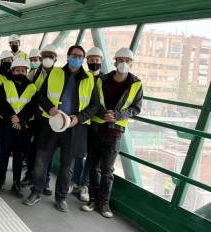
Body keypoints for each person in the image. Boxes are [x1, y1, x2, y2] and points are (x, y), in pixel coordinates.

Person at [24, 45, 100, 213]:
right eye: (74, 55)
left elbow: (95, 106)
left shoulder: (89, 79)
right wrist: (50, 109)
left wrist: (78, 118)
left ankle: (61, 198)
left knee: (67, 166)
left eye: (80, 56)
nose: (77, 58)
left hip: (74, 128)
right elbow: (41, 95)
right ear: (68, 56)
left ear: (83, 59)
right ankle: (36, 191)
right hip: (50, 123)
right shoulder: (54, 73)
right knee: (41, 160)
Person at [82, 48, 142, 218]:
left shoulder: (136, 84)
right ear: (115, 62)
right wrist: (104, 114)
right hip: (96, 128)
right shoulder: (102, 79)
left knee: (107, 170)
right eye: (120, 59)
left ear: (131, 63)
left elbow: (135, 108)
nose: (123, 63)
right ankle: (92, 200)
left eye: (127, 60)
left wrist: (117, 115)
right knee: (93, 167)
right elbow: (95, 101)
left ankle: (104, 204)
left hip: (115, 132)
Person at [0, 58, 38, 198]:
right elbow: (1, 103)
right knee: (4, 155)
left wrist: (20, 118)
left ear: (27, 72)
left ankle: (16, 184)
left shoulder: (32, 87)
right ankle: (1, 182)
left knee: (19, 157)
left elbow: (32, 107)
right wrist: (13, 117)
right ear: (12, 71)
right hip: (7, 125)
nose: (21, 72)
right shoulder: (5, 84)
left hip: (22, 127)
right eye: (17, 70)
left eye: (24, 70)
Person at [22, 44, 58, 190]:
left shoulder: (59, 75)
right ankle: (29, 174)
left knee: (47, 149)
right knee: (31, 148)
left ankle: (46, 180)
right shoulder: (34, 73)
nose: (48, 59)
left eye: (51, 57)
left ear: (56, 59)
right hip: (34, 117)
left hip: (49, 119)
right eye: (45, 56)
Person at [70, 46, 104, 203]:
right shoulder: (82, 77)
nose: (94, 62)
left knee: (91, 157)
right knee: (78, 154)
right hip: (82, 122)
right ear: (86, 61)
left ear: (102, 62)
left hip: (98, 124)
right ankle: (74, 181)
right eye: (91, 60)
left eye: (97, 60)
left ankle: (84, 185)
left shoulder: (105, 79)